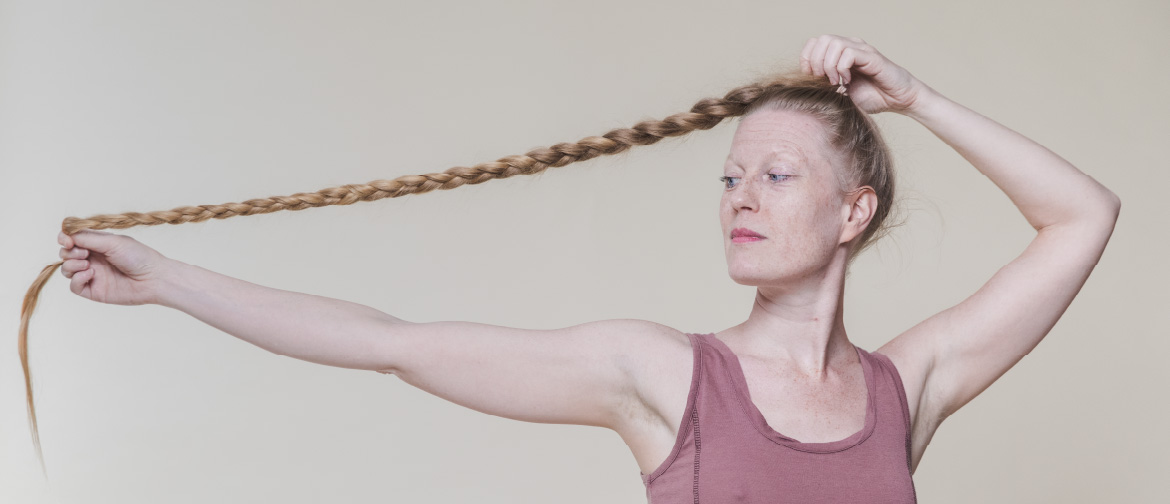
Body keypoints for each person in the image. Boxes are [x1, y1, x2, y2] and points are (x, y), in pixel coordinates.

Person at [53, 35, 1120, 502]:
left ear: (856, 211)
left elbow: (1083, 217)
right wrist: (170, 282)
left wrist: (918, 101)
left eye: (777, 175)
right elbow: (394, 347)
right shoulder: (660, 375)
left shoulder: (905, 390)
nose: (740, 196)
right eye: (730, 175)